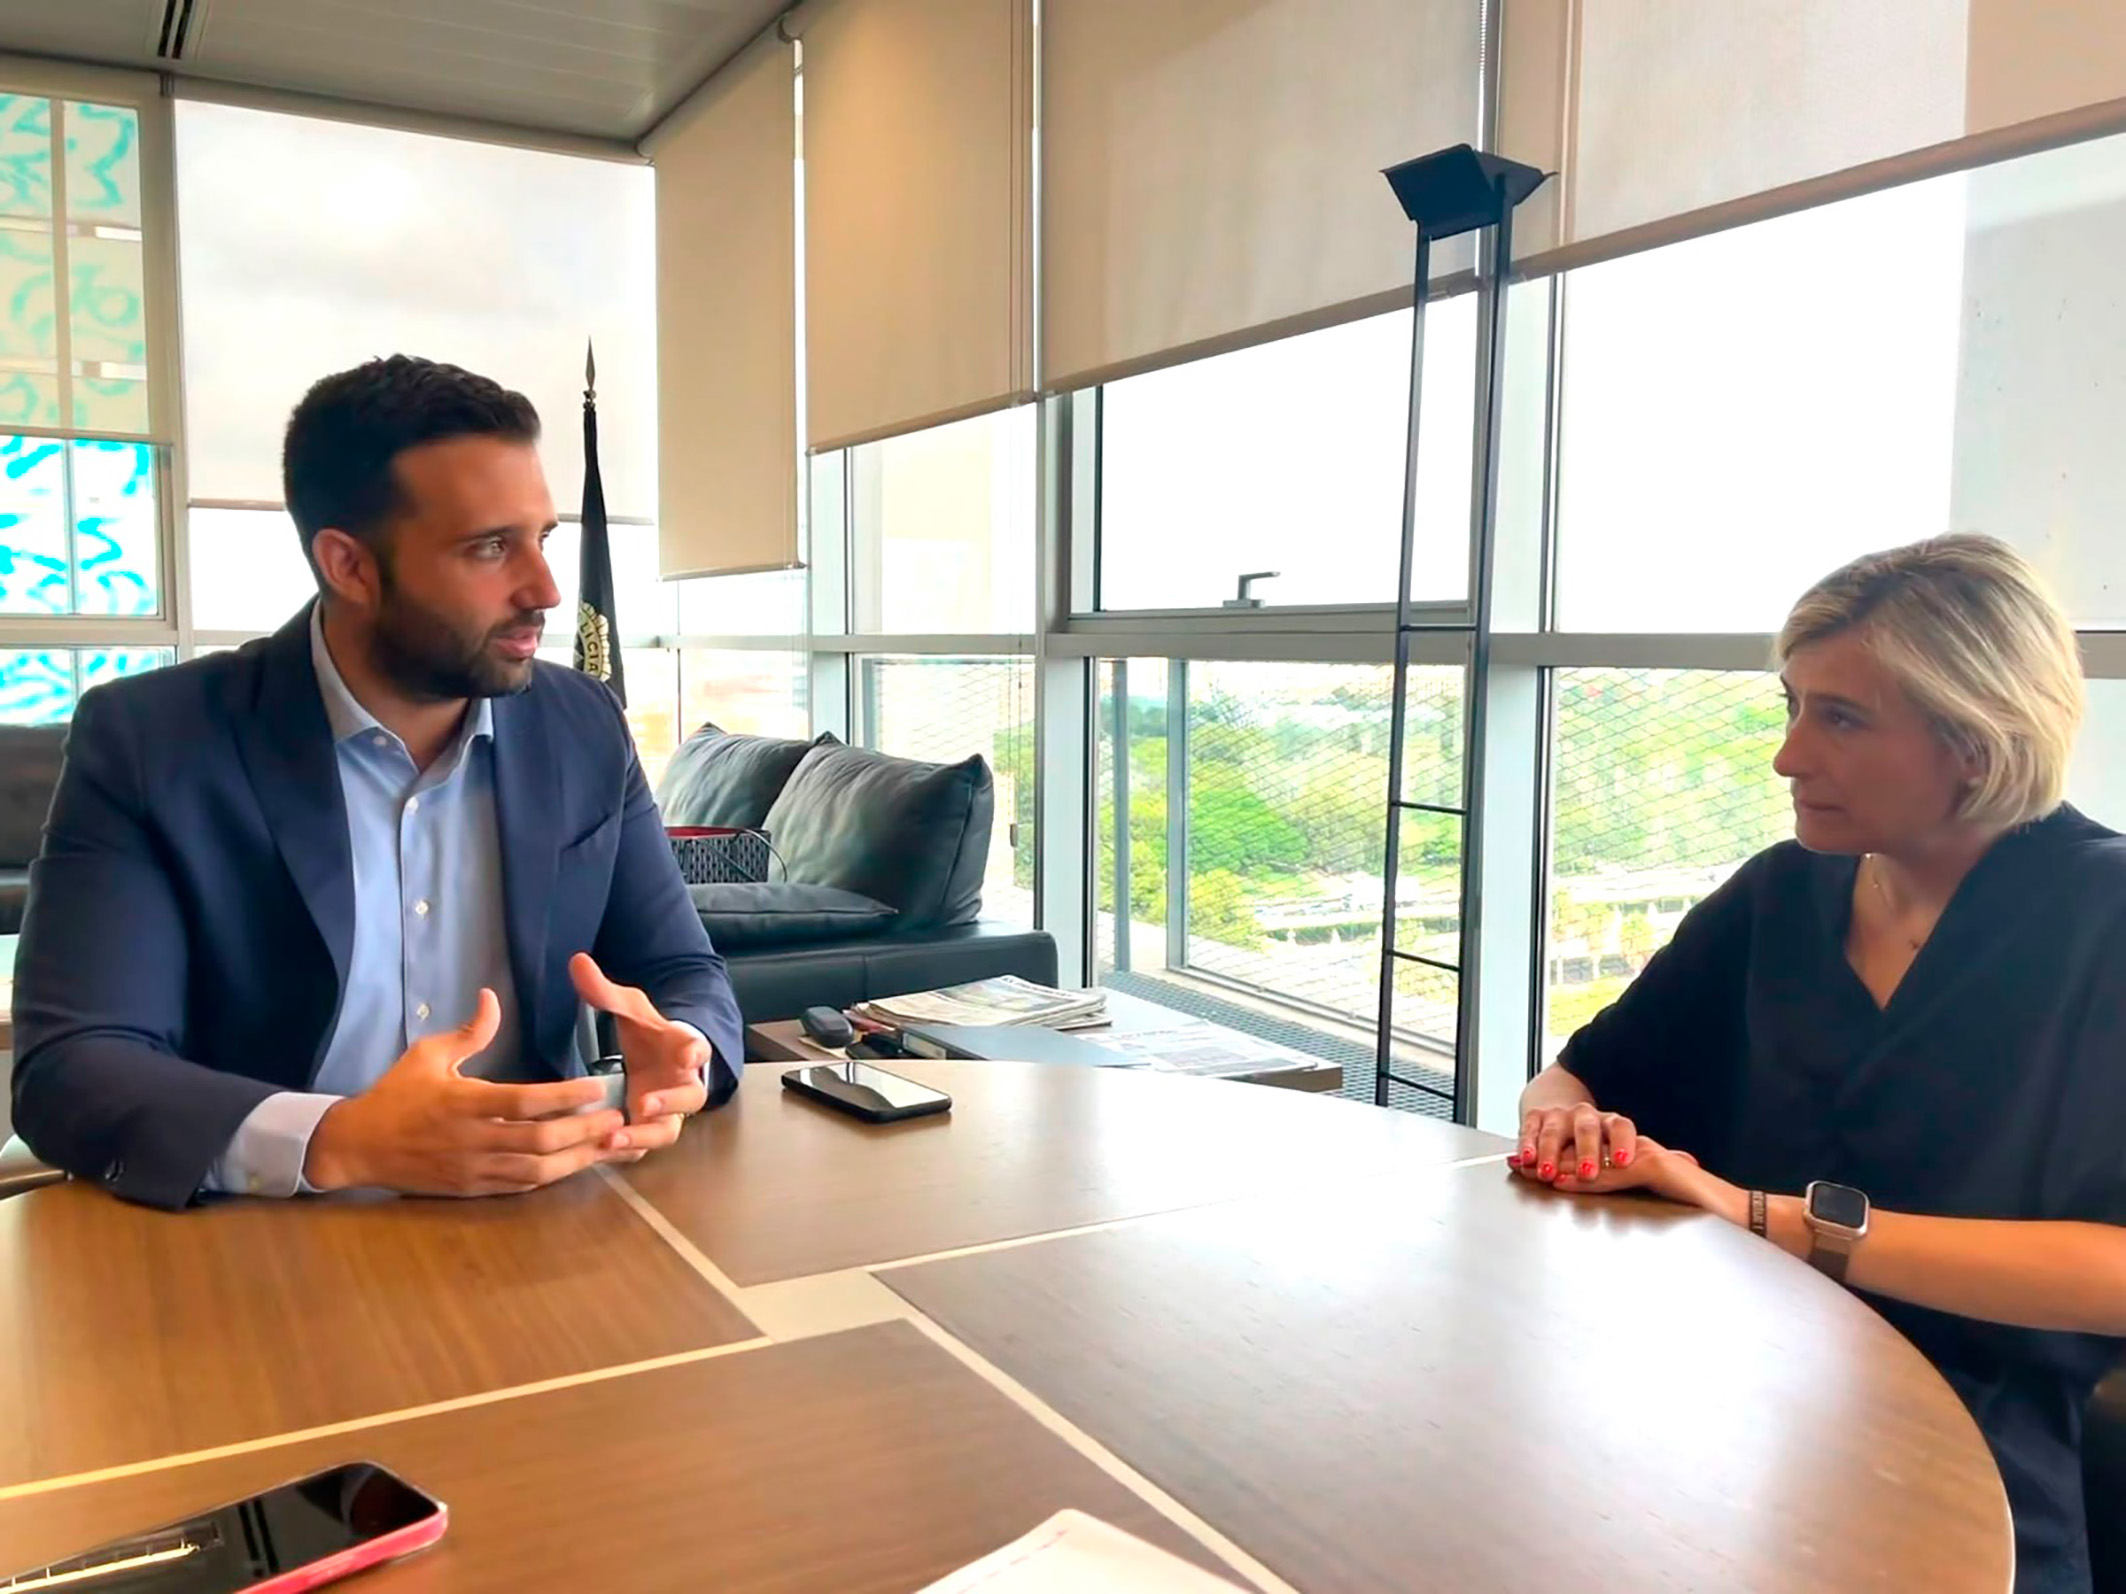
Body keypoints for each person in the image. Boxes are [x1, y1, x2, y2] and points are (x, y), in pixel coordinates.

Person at [1517, 535, 2126, 1593]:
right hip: (1709, 1407)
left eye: (1839, 719)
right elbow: (1576, 1073)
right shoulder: (1780, 893)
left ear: (1973, 742)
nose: (1786, 757)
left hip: (1967, 1473)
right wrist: (1565, 1120)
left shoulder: (2102, 919)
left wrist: (1775, 1221)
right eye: (1791, 706)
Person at [10, 355, 743, 1211]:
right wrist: (341, 1139)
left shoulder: (581, 723)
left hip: (542, 1224)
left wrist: (681, 1049)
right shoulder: (153, 741)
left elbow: (681, 968)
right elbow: (74, 1068)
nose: (543, 589)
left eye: (543, 538)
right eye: (489, 547)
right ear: (350, 566)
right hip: (261, 1235)